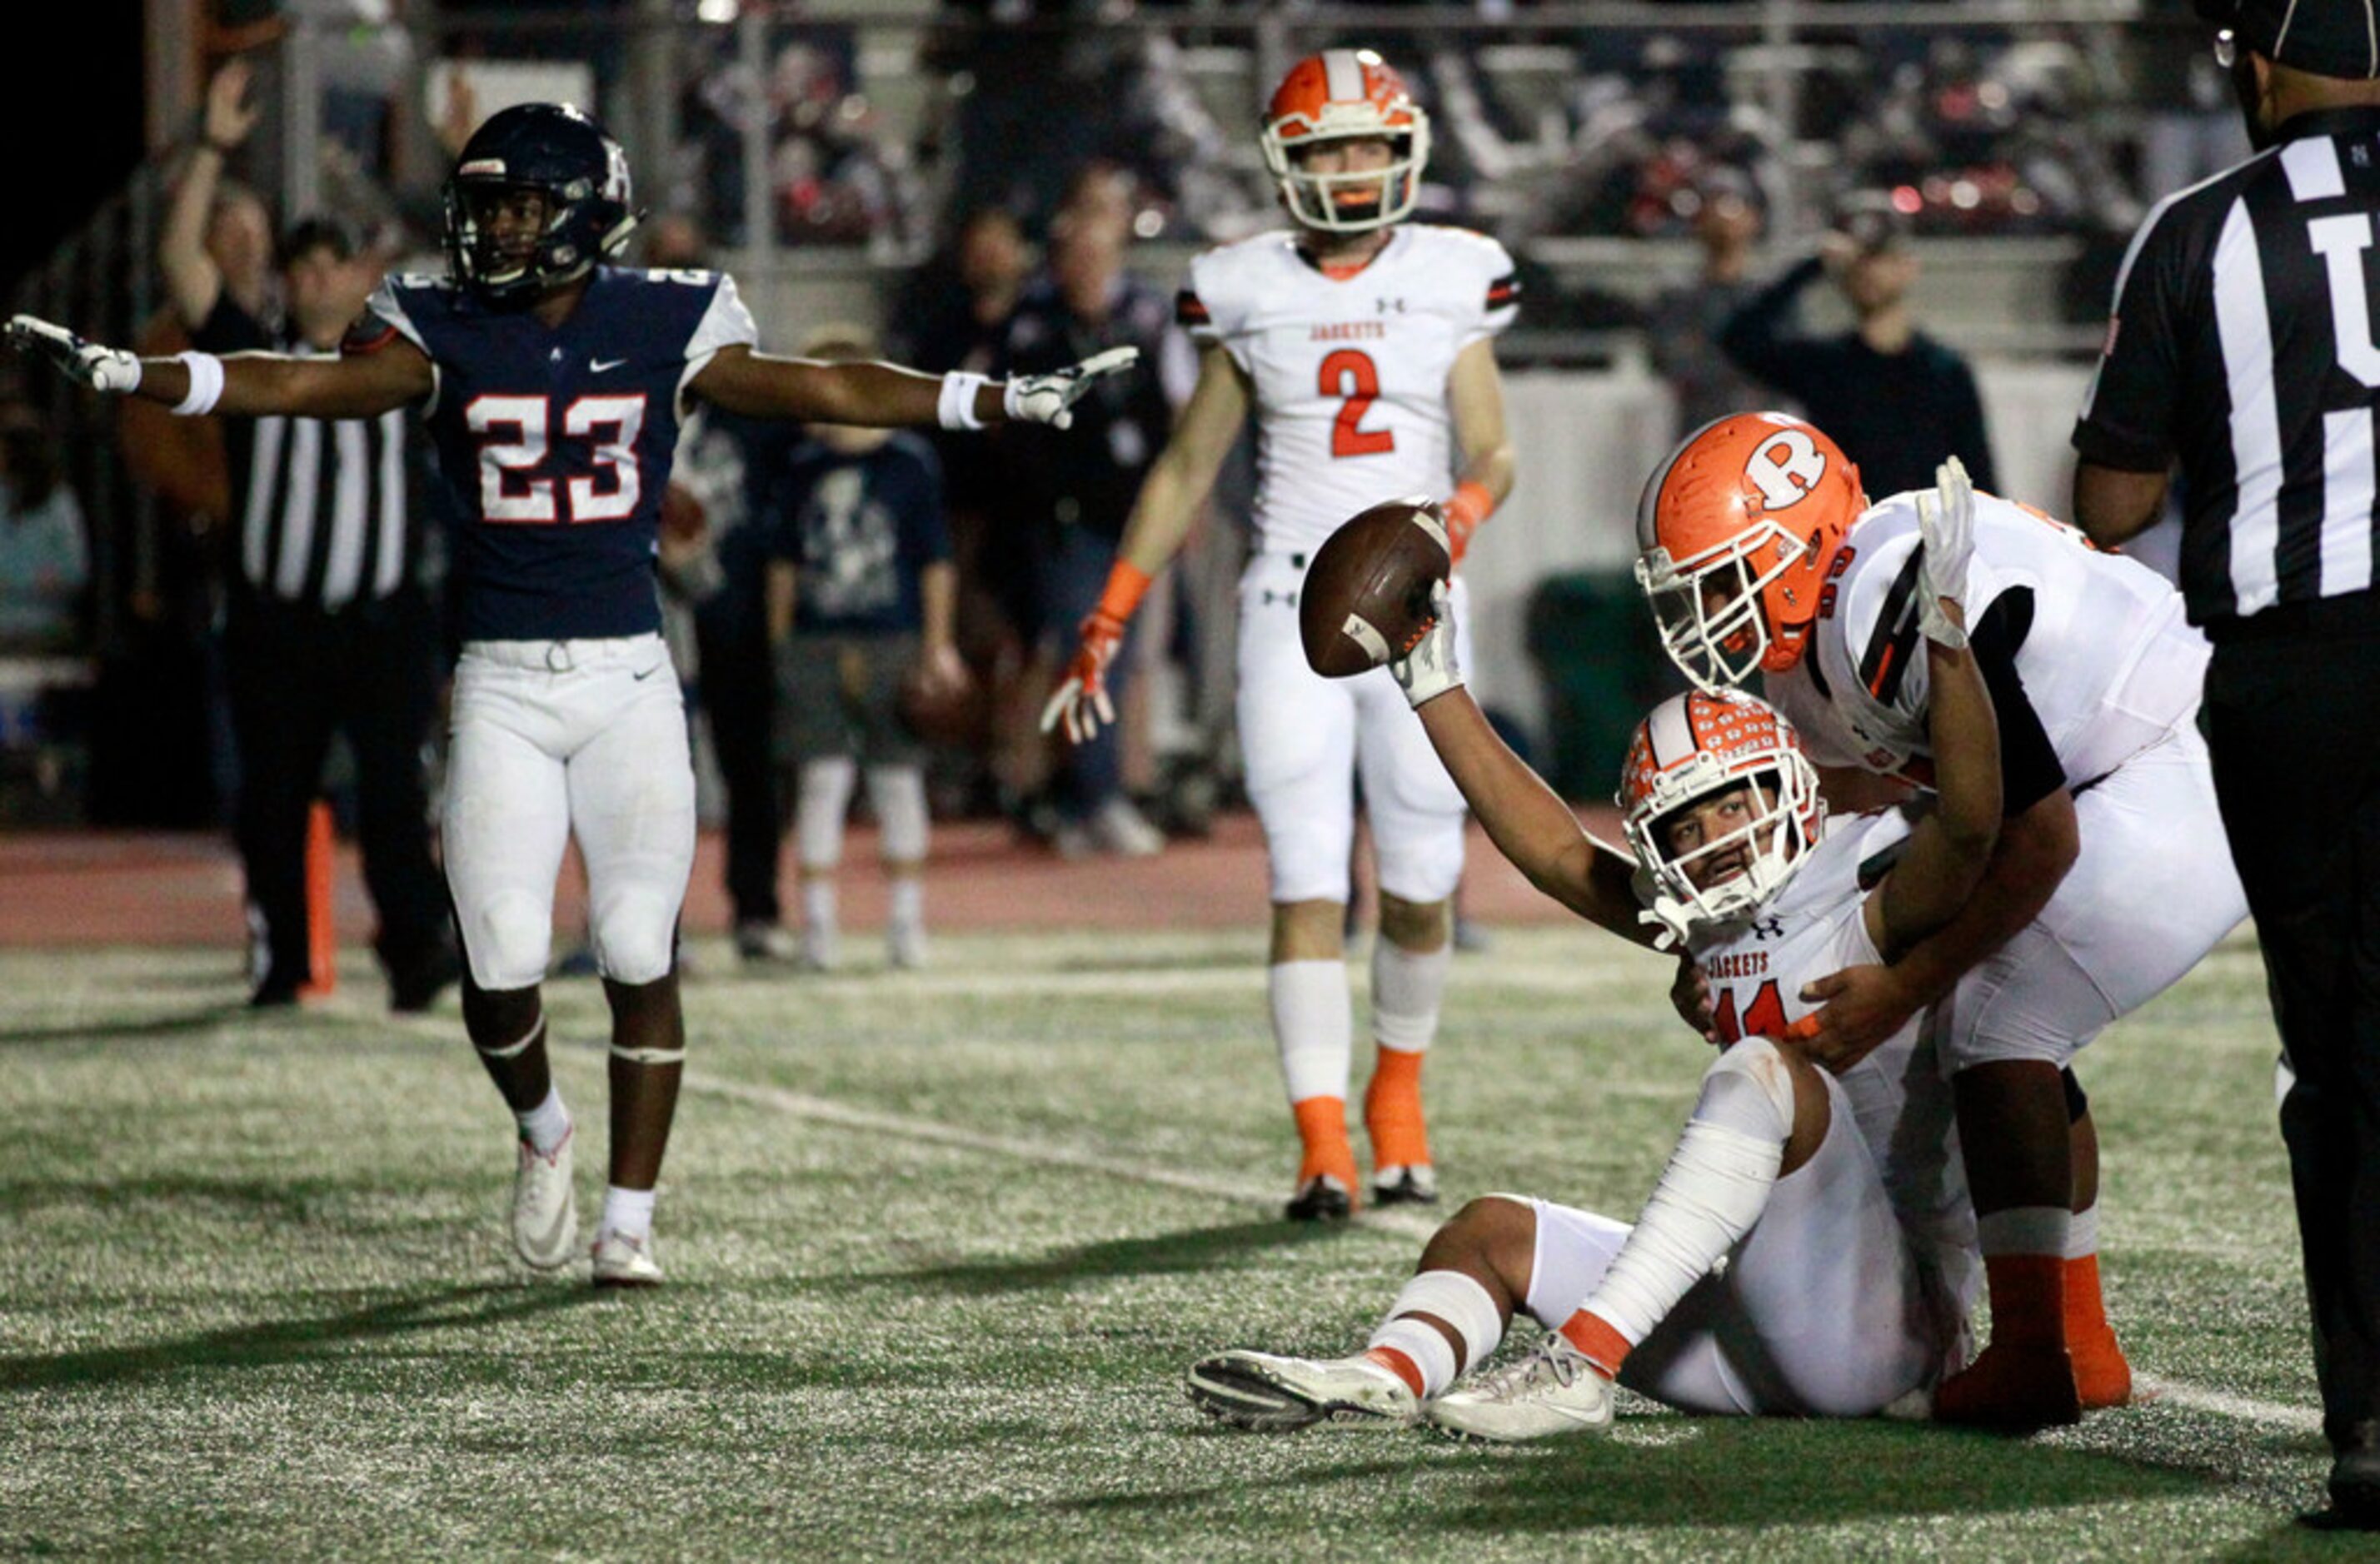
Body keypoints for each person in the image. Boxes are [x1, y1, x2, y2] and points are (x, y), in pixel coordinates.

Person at [8, 102, 1133, 1288]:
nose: (491, 227)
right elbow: (294, 385)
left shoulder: (667, 315)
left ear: (583, 217)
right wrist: (145, 373)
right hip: (499, 681)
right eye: (483, 203)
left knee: (640, 942)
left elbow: (826, 387)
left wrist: (993, 397)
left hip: (628, 682)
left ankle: (629, 1221)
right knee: (496, 960)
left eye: (516, 206)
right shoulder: (439, 323)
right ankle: (543, 1131)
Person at [1190, 465, 1998, 1435]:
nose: (1715, 840)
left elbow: (1972, 827)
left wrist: (1946, 639)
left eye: (1732, 804)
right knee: (1491, 1231)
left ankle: (1580, 1366)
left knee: (1763, 1071)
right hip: (1762, 1325)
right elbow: (1558, 857)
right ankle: (1383, 1376)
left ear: (1791, 791)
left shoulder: (1863, 881)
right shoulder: (1709, 915)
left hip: (1889, 1329)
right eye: (1687, 826)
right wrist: (1430, 681)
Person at [1636, 413, 2248, 1425]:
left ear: (1794, 545)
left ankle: (2032, 1357)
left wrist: (1902, 988)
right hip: (2116, 762)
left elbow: (2035, 842)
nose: (1708, 613)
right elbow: (1851, 823)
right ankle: (2078, 1345)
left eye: (1721, 576)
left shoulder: (1885, 591)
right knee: (1986, 1002)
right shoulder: (1823, 627)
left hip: (2180, 755)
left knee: (1997, 1019)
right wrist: (1724, 943)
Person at [1043, 49, 1519, 1220]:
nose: (1352, 171)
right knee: (1304, 874)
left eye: (1368, 146)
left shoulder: (1454, 275)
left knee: (1422, 879)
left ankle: (1397, 1101)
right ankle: (1321, 1143)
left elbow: (1493, 448)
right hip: (1288, 606)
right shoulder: (1245, 287)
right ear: (1286, 165)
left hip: (1414, 614)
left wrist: (1453, 514)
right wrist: (1110, 612)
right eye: (1329, 149)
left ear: (1401, 152)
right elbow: (1188, 463)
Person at [2068, 0, 2380, 1527]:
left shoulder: (2199, 229)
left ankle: (2374, 1418)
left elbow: (2113, 496)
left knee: (2341, 1055)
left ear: (2254, 67)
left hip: (2299, 673)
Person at [160, 59, 456, 1013]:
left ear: (367, 274)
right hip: (276, 624)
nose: (324, 276)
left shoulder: (406, 360)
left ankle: (416, 956)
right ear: (290, 280)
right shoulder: (256, 355)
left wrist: (463, 165)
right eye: (309, 264)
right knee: (274, 803)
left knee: (395, 805)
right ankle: (285, 964)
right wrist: (210, 146)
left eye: (338, 262)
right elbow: (182, 265)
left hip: (382, 622)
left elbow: (478, 283)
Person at [997, 165, 1190, 858]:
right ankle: (1083, 795)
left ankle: (1100, 792)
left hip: (1132, 518)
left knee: (1121, 659)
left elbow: (1175, 418)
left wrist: (1176, 510)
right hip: (1062, 518)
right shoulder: (1035, 320)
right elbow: (1014, 416)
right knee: (1082, 654)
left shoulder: (1146, 315)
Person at [762, 326, 963, 970]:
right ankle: (818, 926)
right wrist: (782, 645)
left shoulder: (908, 464)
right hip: (820, 641)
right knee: (821, 780)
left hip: (891, 638)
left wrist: (936, 645)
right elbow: (784, 566)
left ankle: (906, 920)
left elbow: (934, 562)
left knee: (897, 780)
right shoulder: (803, 468)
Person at [1718, 192, 1998, 500]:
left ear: (1908, 267)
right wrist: (1812, 265)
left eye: (1880, 257)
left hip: (1929, 541)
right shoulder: (1826, 366)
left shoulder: (1944, 371)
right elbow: (1739, 338)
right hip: (1848, 540)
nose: (1868, 271)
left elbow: (1980, 477)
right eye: (1857, 261)